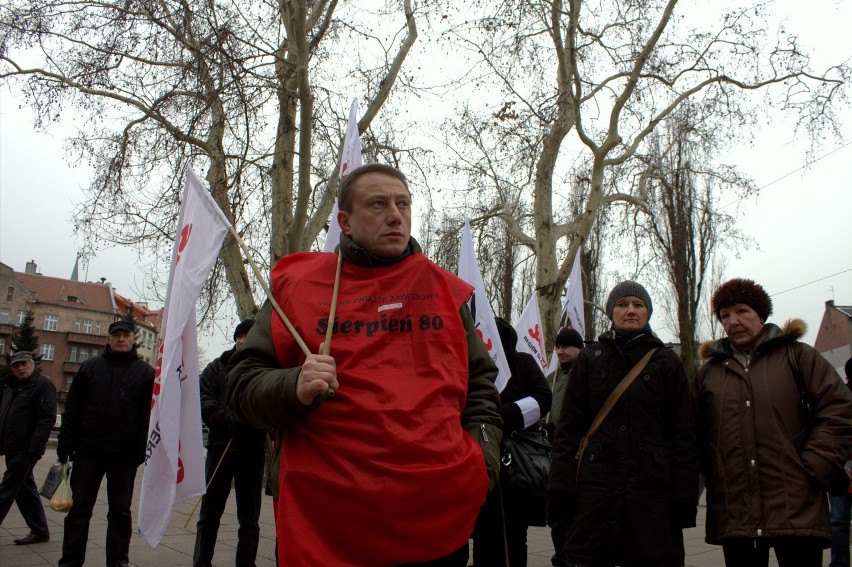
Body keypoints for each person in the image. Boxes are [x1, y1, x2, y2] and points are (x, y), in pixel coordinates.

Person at [226, 163, 502, 566]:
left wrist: (482, 463)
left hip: (435, 516)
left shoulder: (444, 289)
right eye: (377, 204)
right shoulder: (297, 289)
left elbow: (480, 385)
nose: (395, 214)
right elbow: (239, 385)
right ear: (345, 222)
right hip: (325, 522)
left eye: (402, 203)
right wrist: (294, 386)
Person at [695, 278, 852, 567]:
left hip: (796, 509)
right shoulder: (710, 373)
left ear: (761, 314)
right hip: (736, 516)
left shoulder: (798, 356)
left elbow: (839, 409)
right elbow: (695, 434)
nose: (733, 321)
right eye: (725, 315)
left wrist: (816, 463)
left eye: (742, 311)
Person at [547, 280, 698, 567]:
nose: (630, 310)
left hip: (651, 495)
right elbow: (569, 430)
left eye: (638, 305)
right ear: (611, 312)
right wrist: (560, 487)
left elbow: (683, 434)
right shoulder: (590, 359)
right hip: (595, 493)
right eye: (622, 304)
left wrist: (683, 497)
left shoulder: (666, 362)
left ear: (648, 313)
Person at [57, 320, 155, 567]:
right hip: (88, 451)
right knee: (79, 510)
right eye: (116, 335)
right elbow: (73, 409)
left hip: (125, 454)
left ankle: (118, 560)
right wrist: (65, 445)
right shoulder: (90, 368)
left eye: (126, 335)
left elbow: (149, 416)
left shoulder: (145, 373)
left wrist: (141, 450)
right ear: (108, 340)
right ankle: (70, 560)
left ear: (133, 340)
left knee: (120, 512)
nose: (121, 339)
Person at [470, 317, 552, 567]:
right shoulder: (471, 366)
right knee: (482, 529)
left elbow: (542, 398)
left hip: (514, 462)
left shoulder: (522, 363)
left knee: (514, 532)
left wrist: (505, 416)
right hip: (478, 455)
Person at [193, 319, 267, 567]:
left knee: (249, 519)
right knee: (208, 515)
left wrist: (255, 421)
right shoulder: (216, 367)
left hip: (251, 450)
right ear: (236, 339)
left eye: (250, 336)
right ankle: (201, 562)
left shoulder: (264, 369)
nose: (244, 340)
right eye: (241, 336)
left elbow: (270, 404)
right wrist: (223, 419)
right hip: (220, 447)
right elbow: (203, 398)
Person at [0, 351, 57, 545]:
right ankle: (40, 531)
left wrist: (36, 448)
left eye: (24, 364)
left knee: (6, 490)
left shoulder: (43, 385)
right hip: (11, 446)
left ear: (32, 364)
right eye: (16, 365)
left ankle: (39, 531)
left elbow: (46, 419)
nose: (20, 368)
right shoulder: (11, 387)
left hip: (26, 450)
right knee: (25, 491)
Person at [545, 326, 583, 567]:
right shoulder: (553, 377)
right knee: (557, 518)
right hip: (553, 455)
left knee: (575, 517)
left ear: (578, 348)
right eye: (557, 346)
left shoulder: (586, 374)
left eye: (566, 346)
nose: (560, 351)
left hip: (577, 457)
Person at [830, 358, 852, 567]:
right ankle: (839, 563)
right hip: (841, 470)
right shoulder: (841, 399)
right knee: (838, 522)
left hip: (840, 468)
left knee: (838, 522)